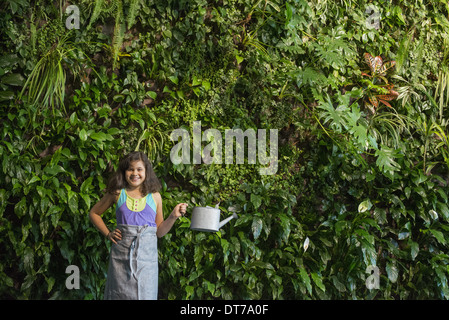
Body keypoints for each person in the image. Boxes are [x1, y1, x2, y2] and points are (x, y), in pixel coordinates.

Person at [89, 151, 188, 300]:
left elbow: (159, 232)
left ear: (146, 171)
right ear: (124, 172)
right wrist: (108, 233)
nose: (135, 173)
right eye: (130, 169)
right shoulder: (117, 193)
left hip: (147, 261)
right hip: (121, 257)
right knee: (118, 295)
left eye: (139, 169)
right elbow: (94, 213)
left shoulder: (155, 196)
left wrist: (173, 216)